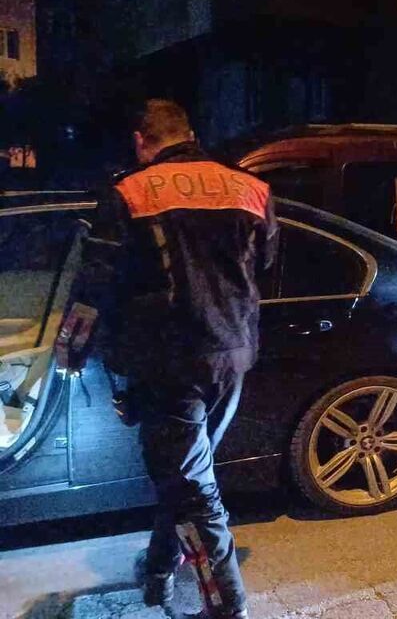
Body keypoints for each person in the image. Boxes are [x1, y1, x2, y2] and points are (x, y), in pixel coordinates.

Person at [53, 99, 277, 619]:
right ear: (190, 133)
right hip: (233, 354)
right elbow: (264, 261)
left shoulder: (130, 192)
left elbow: (94, 285)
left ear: (141, 141)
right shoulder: (251, 187)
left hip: (169, 361)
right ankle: (158, 569)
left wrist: (71, 350)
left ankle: (228, 607)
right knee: (185, 474)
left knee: (192, 488)